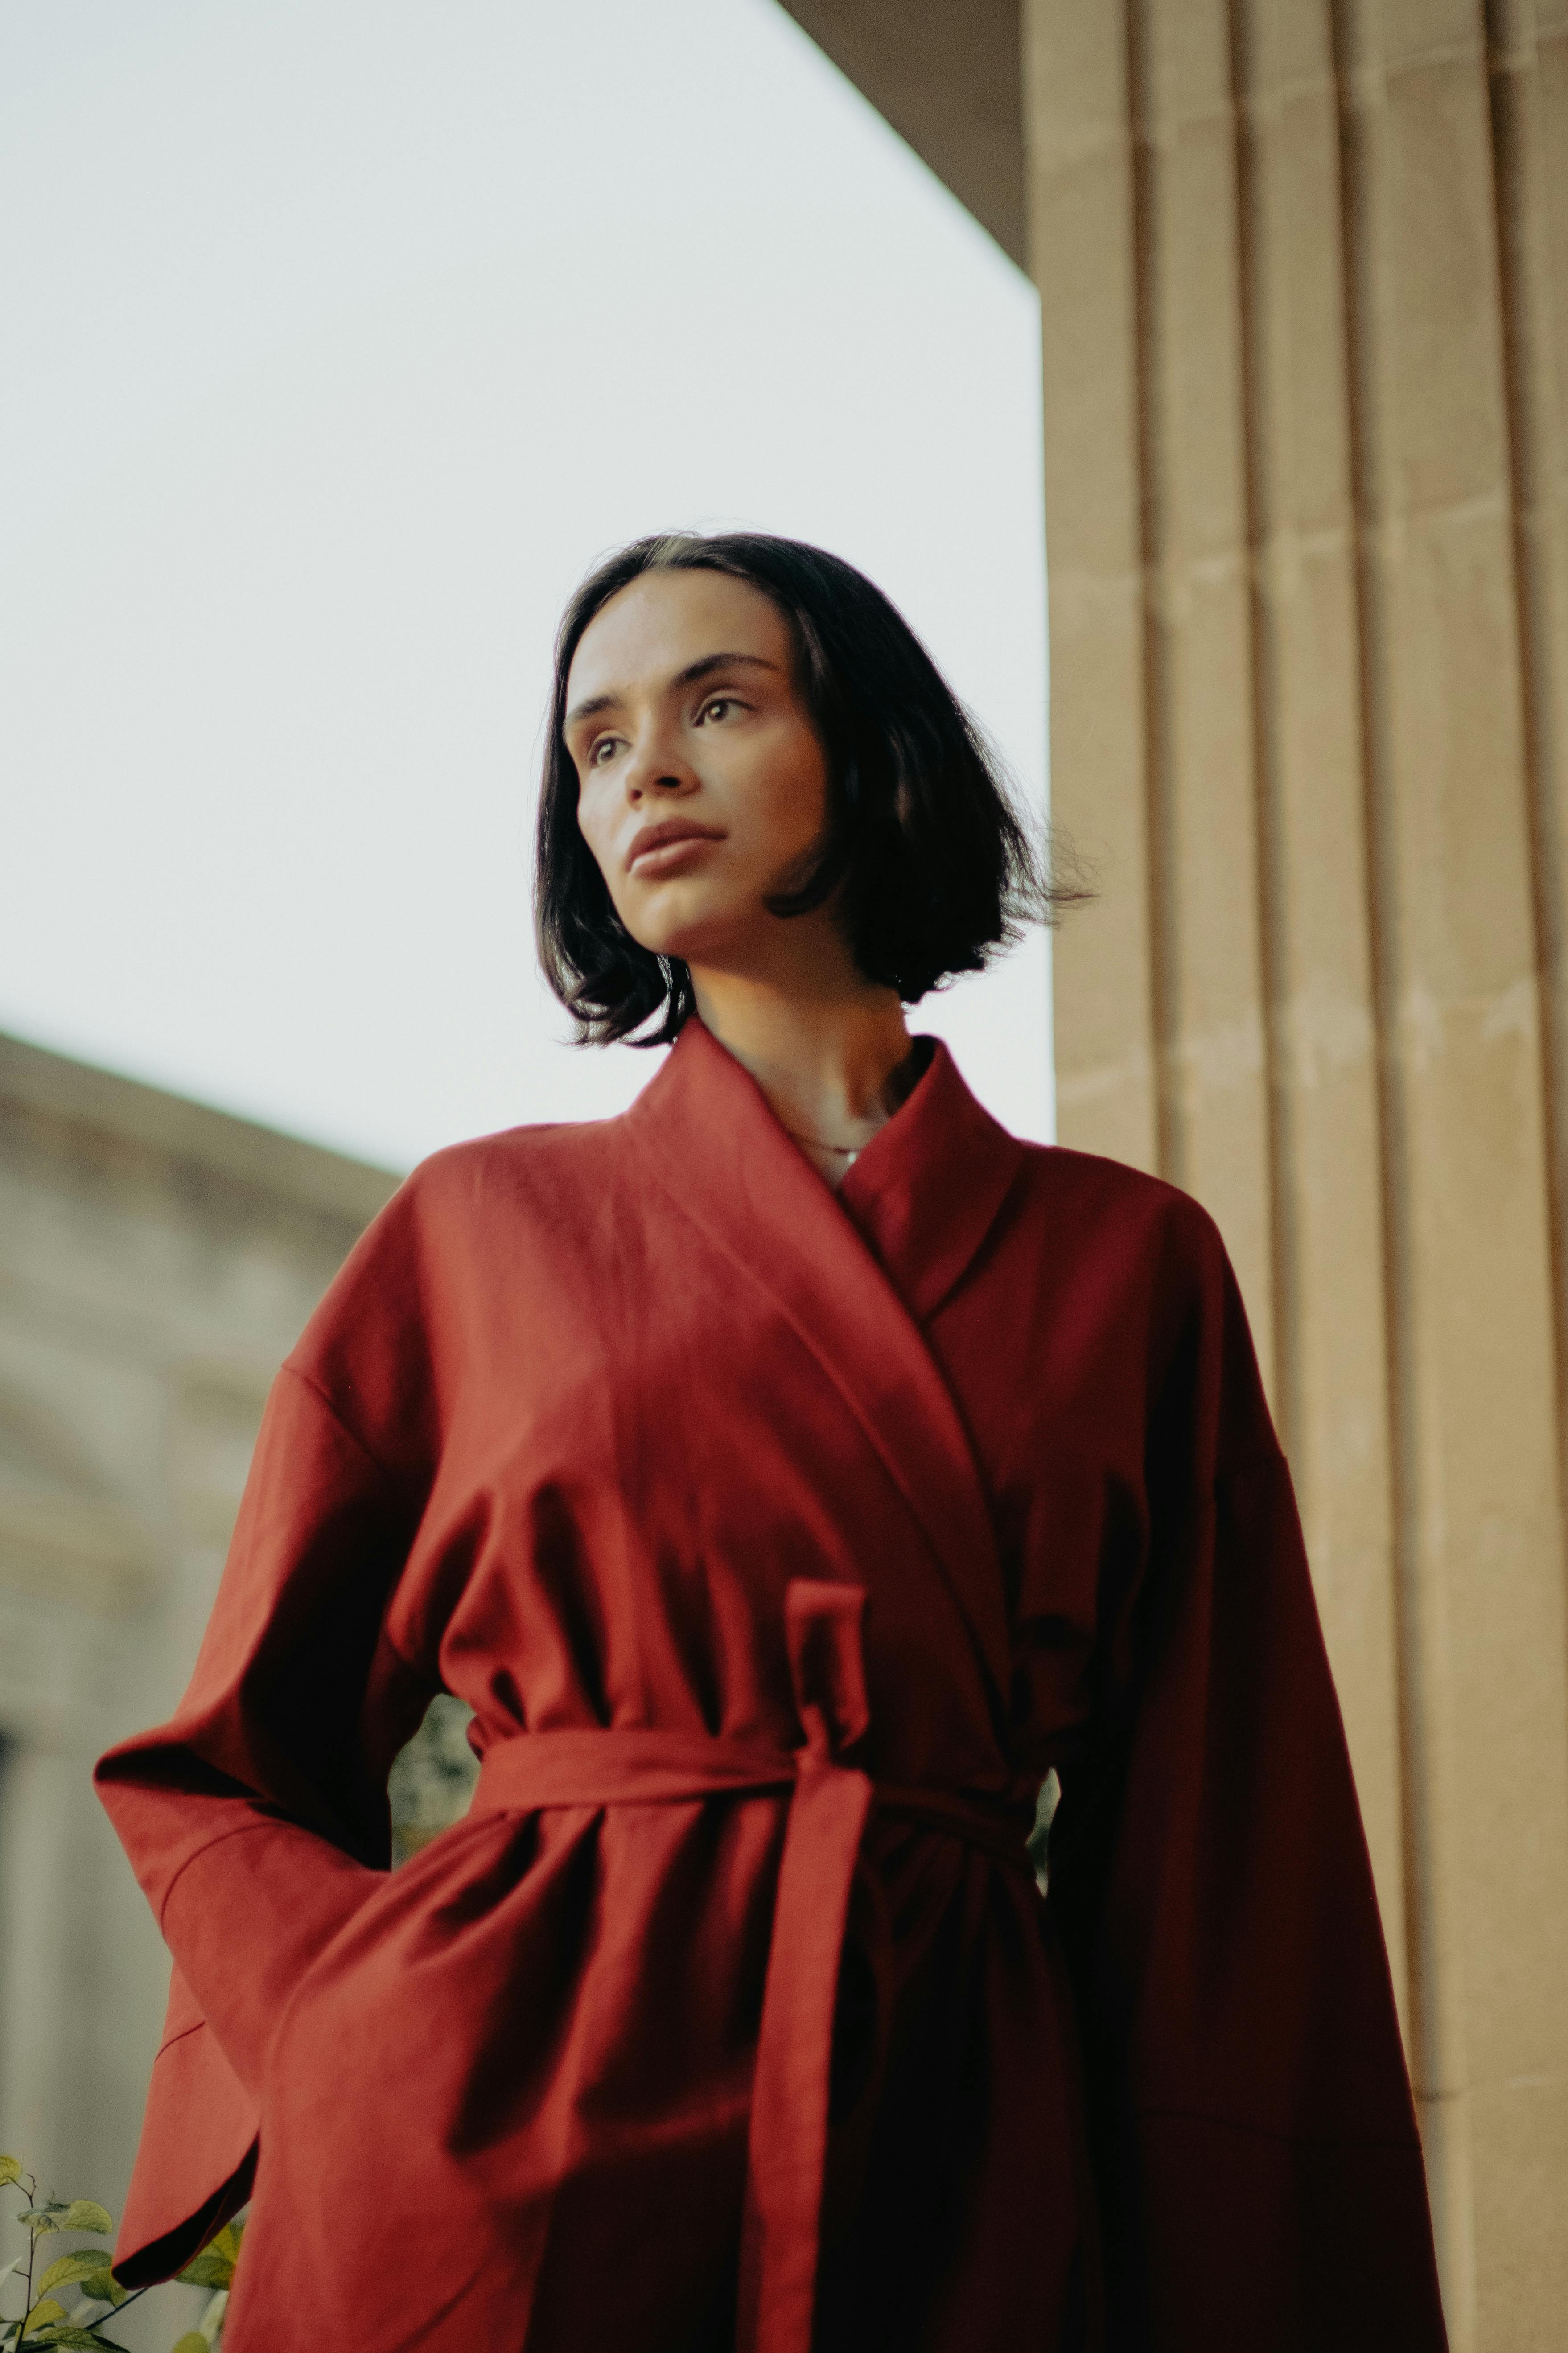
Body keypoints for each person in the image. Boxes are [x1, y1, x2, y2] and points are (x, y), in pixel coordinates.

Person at [96, 532, 1448, 2352]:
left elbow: (1231, 1862)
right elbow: (217, 1769)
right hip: (500, 2143)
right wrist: (369, 2032)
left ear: (877, 757)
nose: (641, 767)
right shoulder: (477, 1230)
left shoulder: (1128, 1264)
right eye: (592, 742)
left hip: (953, 2133)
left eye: (716, 704)